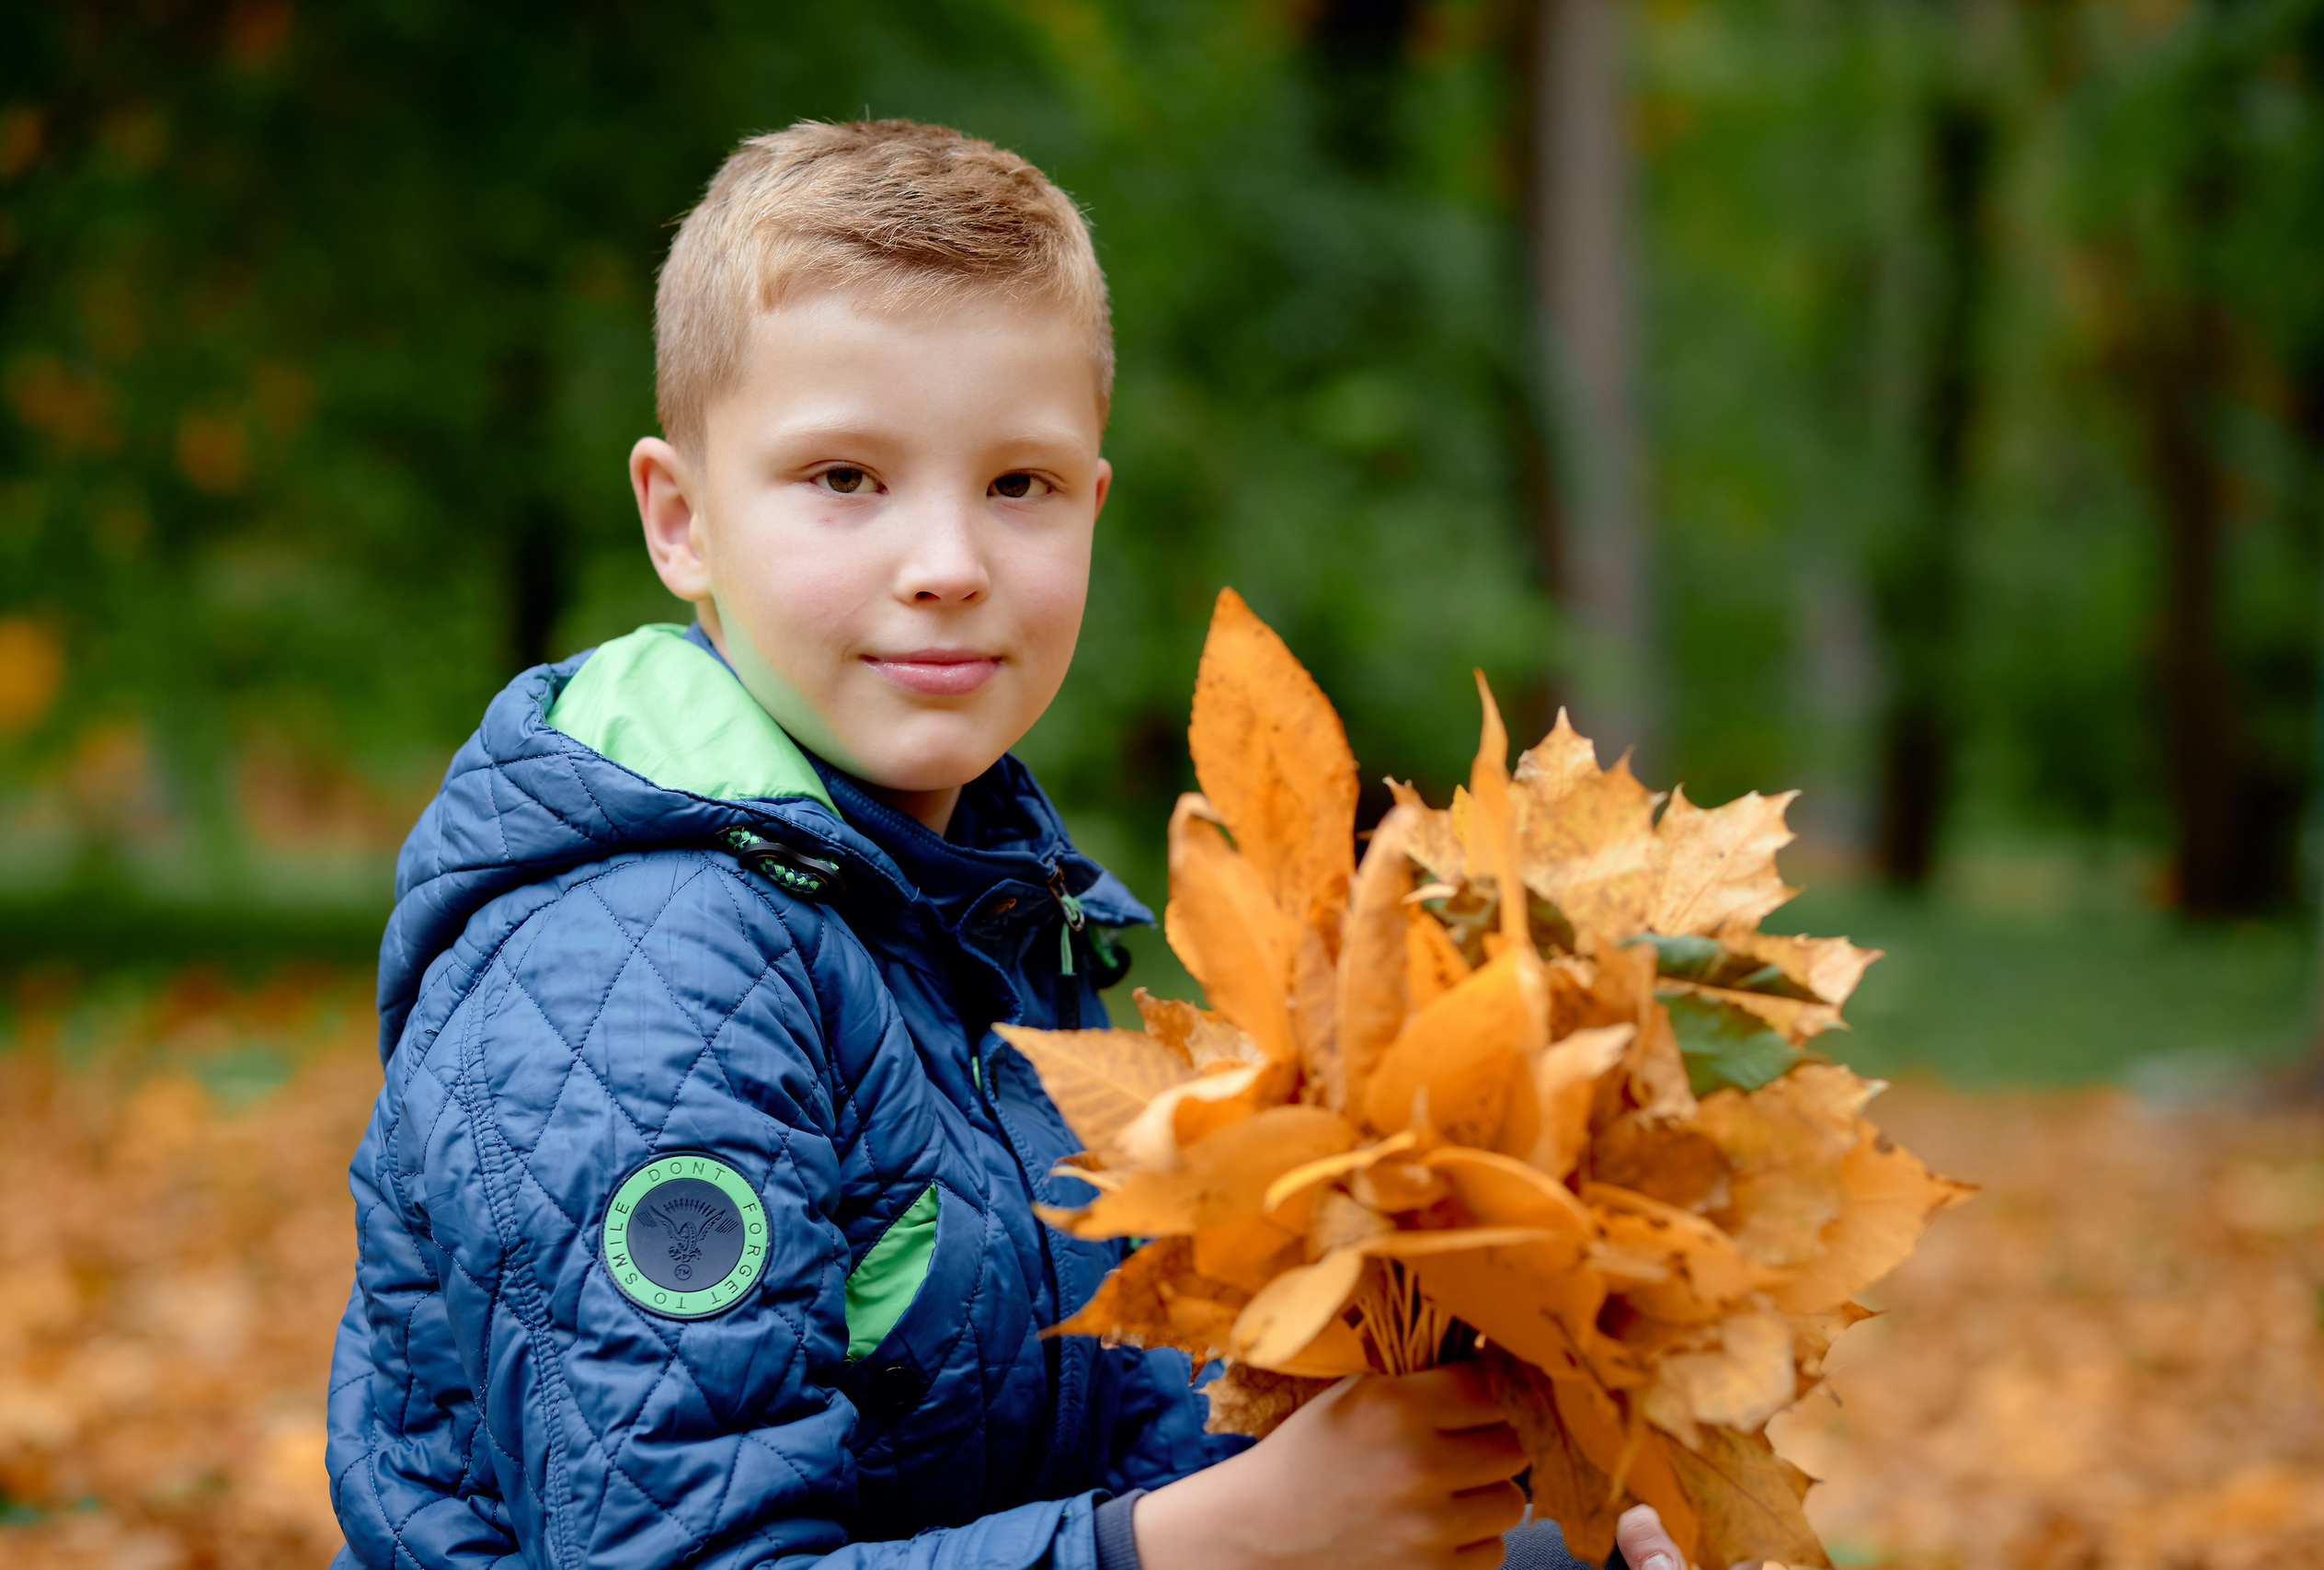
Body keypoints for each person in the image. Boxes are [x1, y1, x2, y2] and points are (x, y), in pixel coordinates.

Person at [326, 118, 1688, 1570]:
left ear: (1092, 507)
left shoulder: (979, 906)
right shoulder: (641, 973)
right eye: (846, 478)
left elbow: (1092, 1416)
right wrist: (1195, 1546)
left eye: (1018, 486)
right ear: (683, 520)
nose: (949, 566)